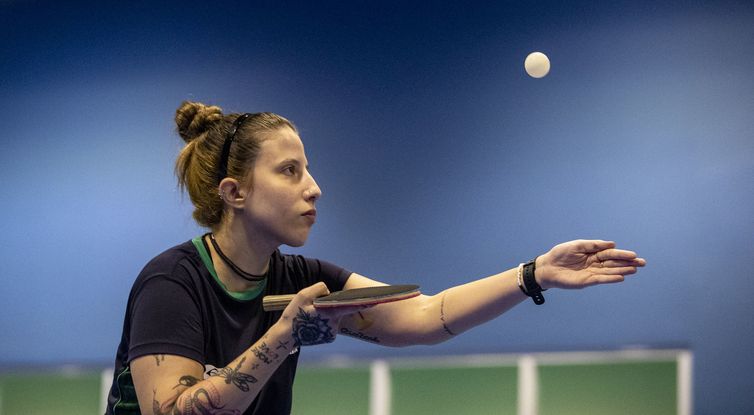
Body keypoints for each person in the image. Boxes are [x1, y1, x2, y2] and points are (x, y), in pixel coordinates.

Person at [105, 101, 646, 415]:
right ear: (234, 192)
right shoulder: (172, 282)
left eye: (308, 169)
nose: (314, 188)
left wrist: (534, 274)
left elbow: (423, 316)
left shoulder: (304, 277)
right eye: (289, 171)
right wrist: (282, 335)